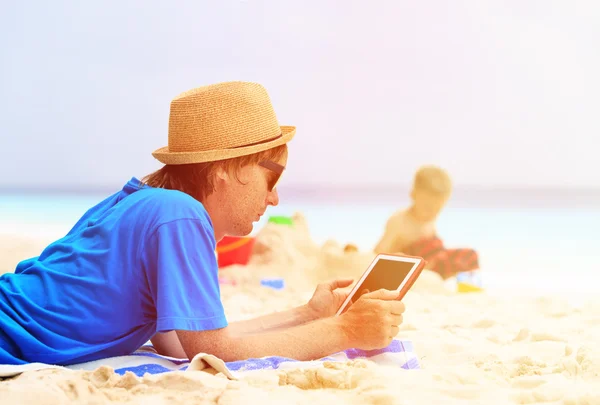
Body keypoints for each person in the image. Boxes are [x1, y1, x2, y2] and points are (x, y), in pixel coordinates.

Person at [0, 81, 406, 366]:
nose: (274, 197)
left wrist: (308, 314)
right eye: (273, 178)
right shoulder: (179, 214)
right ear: (228, 168)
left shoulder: (143, 203)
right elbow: (213, 351)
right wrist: (346, 332)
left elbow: (178, 343)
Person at [374, 166, 480, 279]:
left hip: (435, 262)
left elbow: (435, 246)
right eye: (427, 207)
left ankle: (468, 286)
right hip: (418, 268)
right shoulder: (399, 221)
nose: (431, 213)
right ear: (413, 194)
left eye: (437, 209)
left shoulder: (429, 220)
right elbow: (378, 253)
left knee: (469, 256)